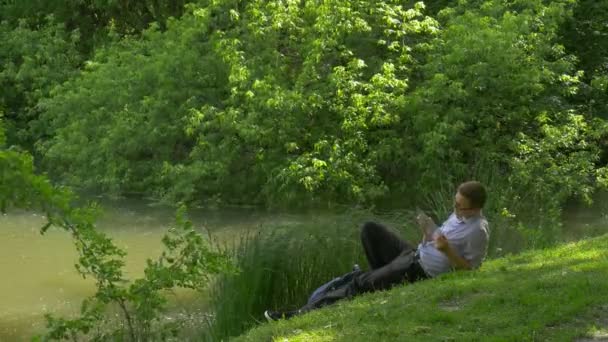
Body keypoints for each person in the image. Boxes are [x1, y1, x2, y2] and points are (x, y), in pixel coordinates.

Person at [264, 180, 490, 321]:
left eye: (460, 206)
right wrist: (427, 232)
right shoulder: (458, 214)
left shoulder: (478, 231)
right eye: (455, 203)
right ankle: (381, 281)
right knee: (370, 229)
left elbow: (471, 269)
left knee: (358, 282)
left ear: (475, 208)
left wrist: (448, 250)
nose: (455, 208)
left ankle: (299, 313)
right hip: (414, 253)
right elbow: (437, 238)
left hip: (421, 270)